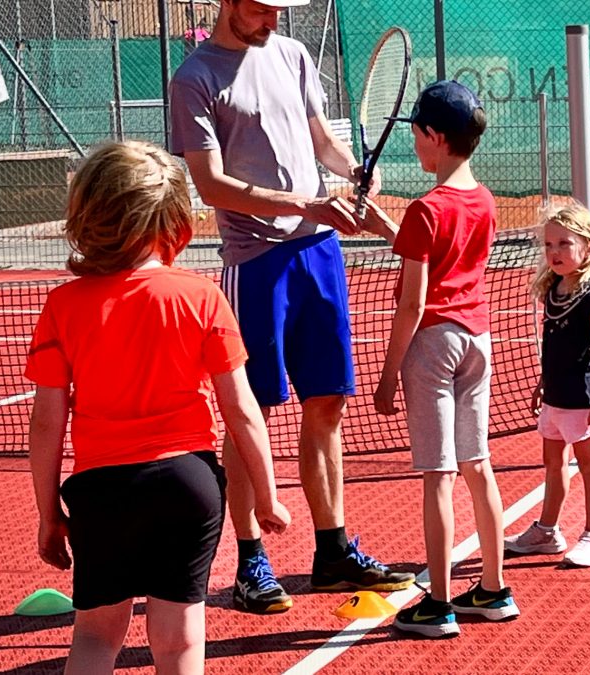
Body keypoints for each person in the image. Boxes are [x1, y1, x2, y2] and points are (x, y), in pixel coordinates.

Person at [169, 0, 414, 614]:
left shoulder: (295, 54)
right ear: (229, 3)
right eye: (263, 8)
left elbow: (321, 140)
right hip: (256, 263)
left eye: (282, 9)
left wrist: (352, 169)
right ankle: (251, 559)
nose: (275, 19)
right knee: (254, 411)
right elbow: (211, 185)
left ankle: (331, 550)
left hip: (320, 253)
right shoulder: (194, 78)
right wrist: (308, 205)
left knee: (327, 401)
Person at [26, 141, 291, 674]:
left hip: (101, 491)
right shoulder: (200, 296)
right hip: (186, 484)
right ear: (171, 220)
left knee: (97, 638)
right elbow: (240, 408)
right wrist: (267, 496)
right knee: (180, 642)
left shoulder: (63, 306)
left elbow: (46, 424)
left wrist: (49, 514)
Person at [359, 80, 520, 638]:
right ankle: (494, 590)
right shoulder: (484, 199)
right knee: (478, 466)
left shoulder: (426, 210)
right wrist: (391, 227)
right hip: (478, 340)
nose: (412, 141)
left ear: (435, 136)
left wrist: (385, 379)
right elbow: (440, 251)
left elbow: (413, 301)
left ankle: (440, 604)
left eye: (417, 132)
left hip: (432, 346)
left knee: (438, 476)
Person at [504, 204, 590, 568]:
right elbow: (553, 345)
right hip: (554, 398)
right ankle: (547, 531)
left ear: (587, 247)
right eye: (549, 245)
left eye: (564, 244)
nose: (555, 252)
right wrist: (542, 382)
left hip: (582, 400)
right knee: (553, 464)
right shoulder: (553, 290)